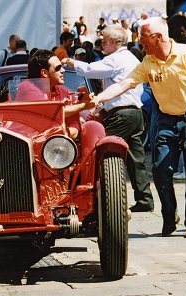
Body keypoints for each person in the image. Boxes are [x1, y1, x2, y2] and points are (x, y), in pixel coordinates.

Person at [89, 17, 186, 238]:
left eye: (143, 38)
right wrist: (99, 99)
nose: (140, 43)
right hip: (167, 121)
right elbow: (124, 84)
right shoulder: (148, 62)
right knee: (160, 169)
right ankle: (170, 216)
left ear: (158, 37)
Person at [63, 25, 154, 213]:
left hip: (121, 114)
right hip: (135, 113)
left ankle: (93, 198)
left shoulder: (115, 59)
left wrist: (70, 62)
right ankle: (145, 199)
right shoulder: (130, 57)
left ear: (114, 42)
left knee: (95, 152)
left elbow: (89, 69)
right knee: (135, 158)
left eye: (104, 41)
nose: (101, 44)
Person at [15, 49, 95, 140]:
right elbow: (49, 112)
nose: (63, 70)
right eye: (58, 68)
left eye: (62, 66)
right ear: (44, 73)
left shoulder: (63, 91)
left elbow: (74, 127)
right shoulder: (27, 87)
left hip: (57, 147)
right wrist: (83, 106)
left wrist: (84, 102)